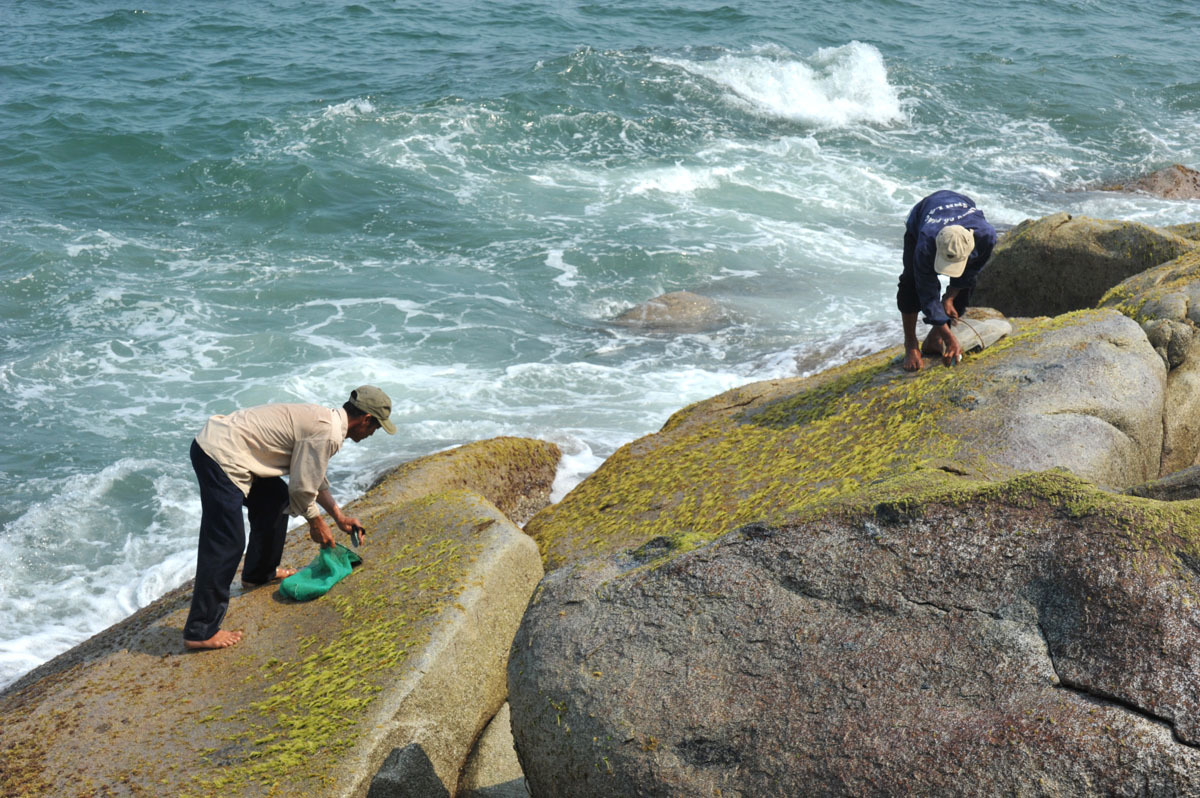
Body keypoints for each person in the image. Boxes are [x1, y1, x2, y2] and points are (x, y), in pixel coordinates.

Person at [182, 385, 396, 650]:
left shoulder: (326, 421)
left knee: (275, 501)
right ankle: (200, 630)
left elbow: (312, 476)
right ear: (365, 419)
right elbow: (302, 489)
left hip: (236, 448)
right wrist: (316, 523)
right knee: (227, 542)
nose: (373, 434)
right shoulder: (327, 433)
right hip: (220, 454)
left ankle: (259, 573)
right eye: (375, 427)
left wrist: (339, 517)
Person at [897, 190, 997, 371]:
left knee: (966, 284)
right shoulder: (925, 243)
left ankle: (936, 337)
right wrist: (951, 339)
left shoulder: (986, 236)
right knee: (910, 283)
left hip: (959, 206)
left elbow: (972, 270)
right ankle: (911, 344)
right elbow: (926, 293)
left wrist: (950, 296)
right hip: (923, 215)